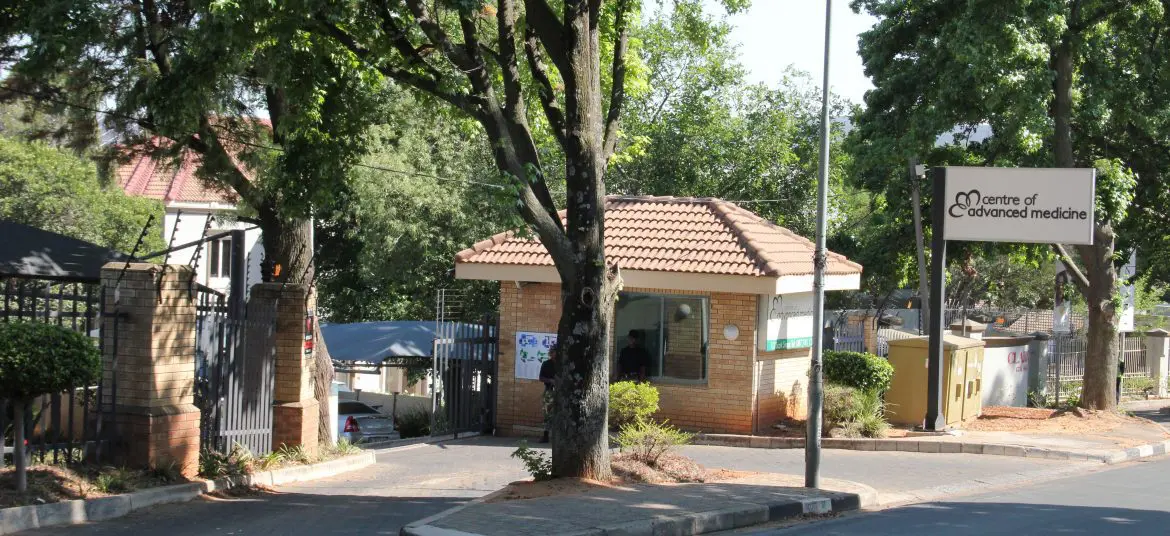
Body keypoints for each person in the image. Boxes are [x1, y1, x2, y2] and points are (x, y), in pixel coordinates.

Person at [538, 343, 558, 443]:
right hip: (549, 390)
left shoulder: (564, 364)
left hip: (561, 392)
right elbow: (541, 378)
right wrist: (550, 380)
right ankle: (546, 435)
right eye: (554, 352)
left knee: (560, 413)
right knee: (547, 413)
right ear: (551, 353)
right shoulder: (546, 364)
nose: (556, 354)